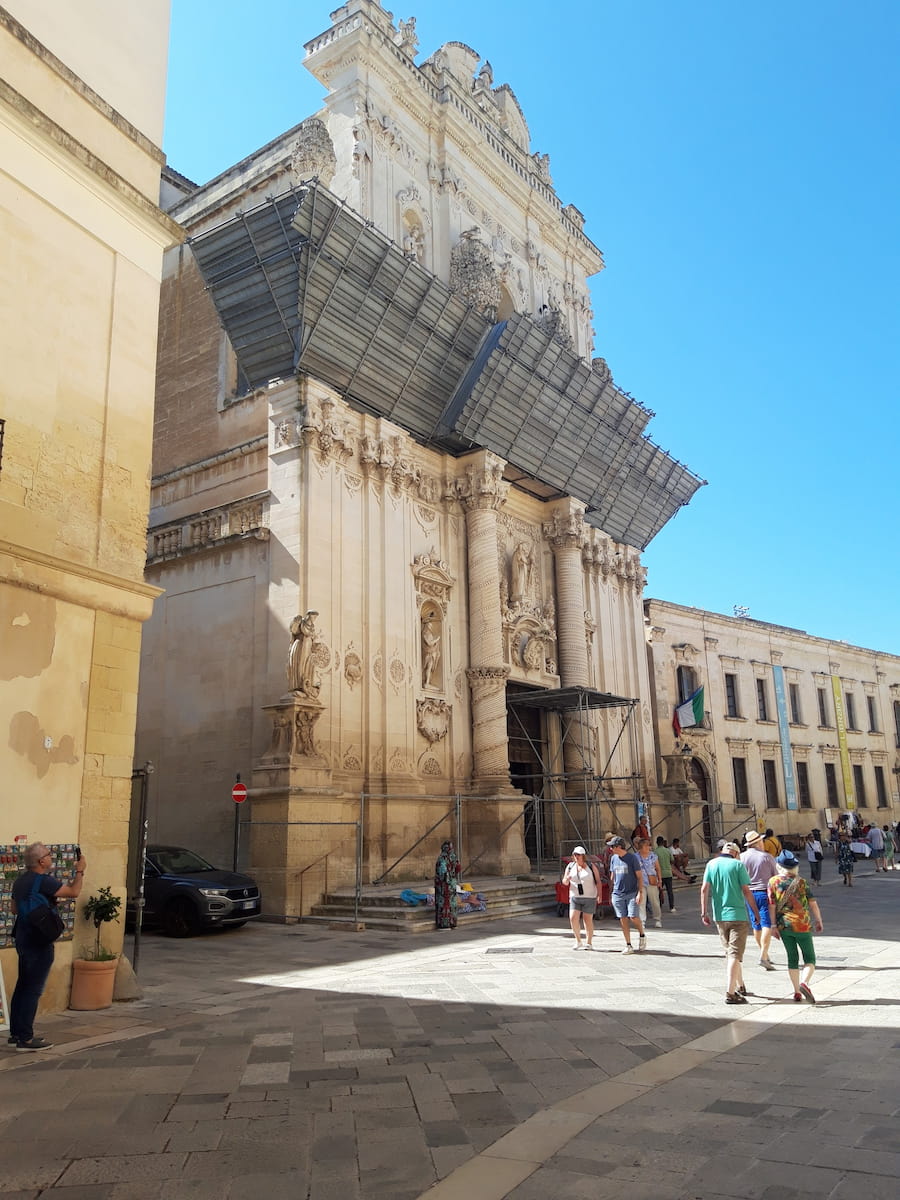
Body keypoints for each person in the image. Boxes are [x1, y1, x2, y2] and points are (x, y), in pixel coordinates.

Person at [10, 842, 86, 1051]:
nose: (51, 857)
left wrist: (44, 905)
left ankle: (16, 1033)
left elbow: (14, 909)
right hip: (40, 941)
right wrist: (80, 871)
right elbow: (74, 891)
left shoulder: (20, 881)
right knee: (33, 989)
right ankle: (26, 1039)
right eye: (48, 854)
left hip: (23, 938)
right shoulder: (44, 881)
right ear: (41, 861)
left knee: (23, 986)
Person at [700, 838, 760, 1005]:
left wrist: (704, 912)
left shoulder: (711, 864)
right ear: (735, 853)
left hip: (720, 916)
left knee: (732, 953)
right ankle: (730, 992)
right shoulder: (738, 865)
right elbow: (747, 892)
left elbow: (704, 889)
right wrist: (756, 913)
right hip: (738, 915)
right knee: (735, 954)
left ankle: (740, 985)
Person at [768, 850, 824, 1003]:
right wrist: (818, 919)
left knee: (792, 958)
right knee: (810, 958)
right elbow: (812, 903)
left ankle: (796, 992)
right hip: (802, 925)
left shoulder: (773, 882)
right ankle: (804, 983)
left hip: (784, 925)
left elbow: (771, 906)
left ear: (779, 865)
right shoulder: (801, 882)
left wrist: (773, 925)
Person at [739, 830, 778, 971]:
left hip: (749, 894)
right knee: (767, 923)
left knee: (756, 924)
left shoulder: (741, 858)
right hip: (764, 892)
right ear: (758, 842)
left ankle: (764, 953)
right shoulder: (767, 857)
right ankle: (763, 956)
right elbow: (775, 877)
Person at [606, 836, 646, 953]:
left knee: (633, 916)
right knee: (622, 919)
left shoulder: (632, 858)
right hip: (617, 893)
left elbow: (639, 876)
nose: (611, 849)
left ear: (619, 847)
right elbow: (613, 876)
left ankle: (642, 934)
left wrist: (640, 892)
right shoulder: (613, 858)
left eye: (612, 846)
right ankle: (628, 944)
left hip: (631, 892)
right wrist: (610, 892)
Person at [562, 847, 601, 949]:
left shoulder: (591, 867)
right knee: (573, 918)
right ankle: (578, 941)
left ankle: (589, 942)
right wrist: (567, 879)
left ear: (583, 856)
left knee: (587, 919)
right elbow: (565, 882)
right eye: (575, 855)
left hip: (589, 896)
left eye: (578, 855)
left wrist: (599, 895)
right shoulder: (570, 867)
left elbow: (598, 881)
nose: (576, 857)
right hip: (575, 896)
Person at [287, 611, 320, 696]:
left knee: (306, 665)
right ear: (309, 616)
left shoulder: (312, 627)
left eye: (315, 617)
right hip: (300, 647)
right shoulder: (301, 622)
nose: (314, 619)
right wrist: (296, 622)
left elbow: (312, 637)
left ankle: (305, 685)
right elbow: (294, 630)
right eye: (313, 616)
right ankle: (298, 685)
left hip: (307, 648)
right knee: (299, 666)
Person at [635, 838, 663, 928]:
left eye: (648, 845)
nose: (648, 847)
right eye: (646, 845)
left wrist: (660, 880)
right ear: (641, 847)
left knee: (655, 901)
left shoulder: (653, 856)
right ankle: (642, 921)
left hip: (652, 882)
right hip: (641, 882)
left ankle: (657, 919)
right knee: (641, 902)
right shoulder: (636, 857)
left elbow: (658, 868)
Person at [434, 840, 460, 930]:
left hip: (444, 885)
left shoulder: (442, 858)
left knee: (444, 903)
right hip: (452, 884)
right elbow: (458, 868)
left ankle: (444, 924)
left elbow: (442, 873)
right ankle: (453, 922)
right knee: (452, 903)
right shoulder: (453, 857)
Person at [655, 836, 677, 913]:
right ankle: (672, 907)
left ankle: (659, 906)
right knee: (670, 891)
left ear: (657, 843)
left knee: (659, 891)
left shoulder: (655, 852)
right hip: (668, 872)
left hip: (660, 874)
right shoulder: (668, 851)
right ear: (663, 842)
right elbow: (672, 860)